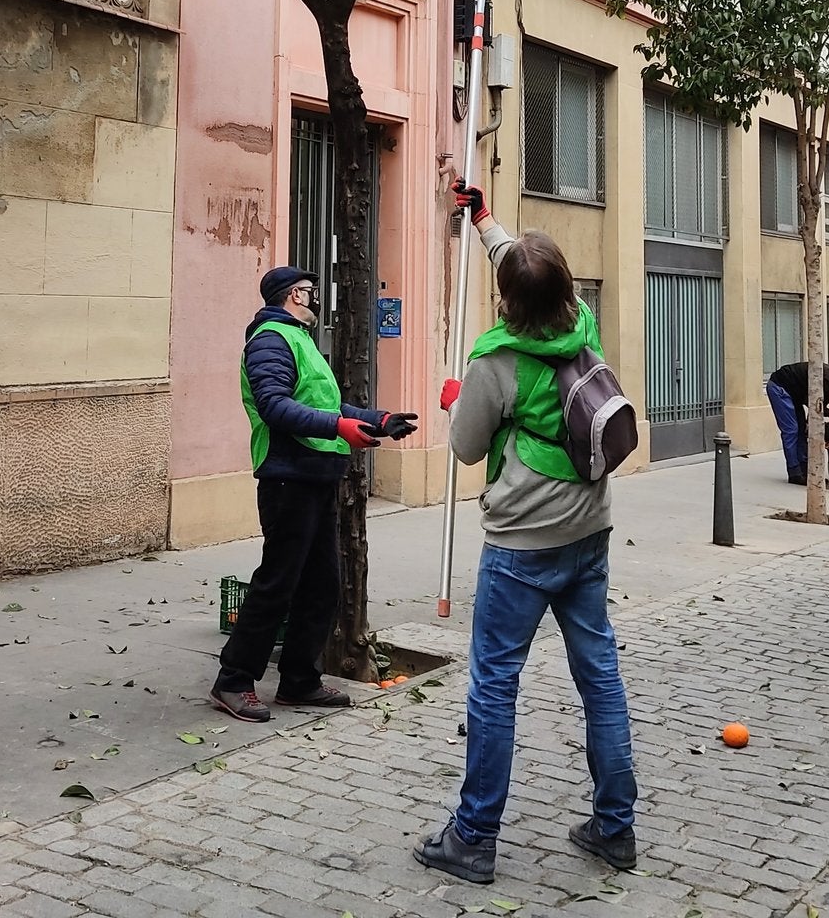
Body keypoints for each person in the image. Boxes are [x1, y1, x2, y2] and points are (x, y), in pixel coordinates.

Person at [415, 182, 635, 885]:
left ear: (507, 302)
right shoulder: (583, 325)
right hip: (589, 531)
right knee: (598, 676)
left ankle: (473, 838)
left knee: (494, 684)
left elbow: (466, 448)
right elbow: (524, 264)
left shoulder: (495, 362)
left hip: (521, 546)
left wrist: (458, 402)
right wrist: (483, 222)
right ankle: (615, 827)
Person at [210, 266, 415, 722]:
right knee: (277, 583)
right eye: (308, 291)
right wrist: (340, 427)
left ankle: (299, 680)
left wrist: (377, 419)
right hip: (288, 476)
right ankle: (234, 680)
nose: (315, 298)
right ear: (290, 295)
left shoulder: (300, 339)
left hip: (316, 475)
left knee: (321, 584)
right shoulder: (269, 339)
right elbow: (275, 406)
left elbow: (325, 405)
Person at [765, 360, 829, 484]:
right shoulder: (828, 380)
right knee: (791, 431)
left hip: (795, 393)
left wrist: (812, 422)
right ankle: (794, 472)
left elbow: (818, 405)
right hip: (780, 387)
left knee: (801, 430)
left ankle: (805, 470)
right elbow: (814, 404)